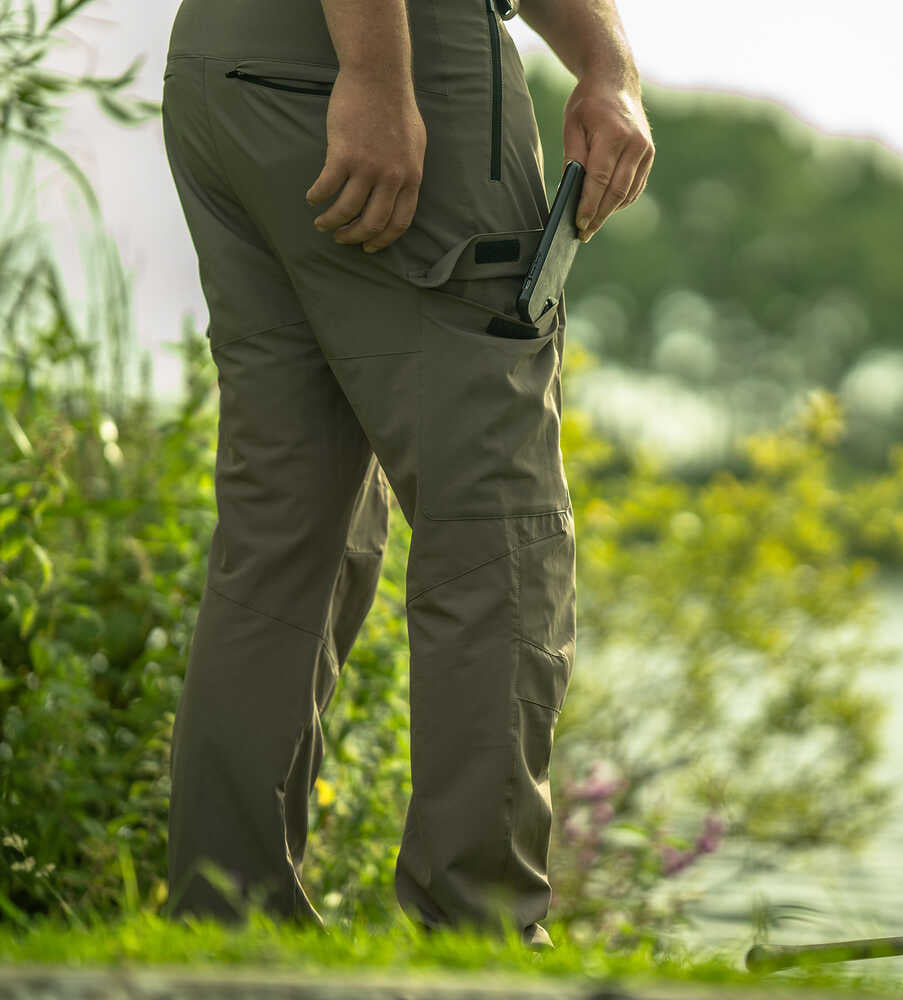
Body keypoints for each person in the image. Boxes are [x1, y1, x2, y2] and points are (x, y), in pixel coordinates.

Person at [159, 0, 654, 951]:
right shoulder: (379, 73)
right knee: (496, 518)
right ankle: (481, 931)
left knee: (290, 520)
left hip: (228, 62)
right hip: (385, 47)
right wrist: (379, 77)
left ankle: (225, 923)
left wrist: (605, 62)